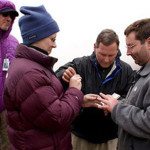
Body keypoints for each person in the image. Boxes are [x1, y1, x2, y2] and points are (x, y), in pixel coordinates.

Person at [3, 5, 84, 150]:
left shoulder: (32, 66)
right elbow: (56, 118)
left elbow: (46, 102)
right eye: (52, 39)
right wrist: (74, 92)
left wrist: (79, 99)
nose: (55, 44)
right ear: (37, 36)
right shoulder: (29, 74)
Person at [56, 29, 135, 150]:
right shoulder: (80, 64)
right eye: (102, 54)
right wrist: (64, 75)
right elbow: (57, 76)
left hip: (111, 138)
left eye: (111, 55)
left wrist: (115, 105)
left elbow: (130, 98)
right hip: (80, 135)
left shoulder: (127, 70)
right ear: (95, 47)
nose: (106, 59)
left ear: (117, 50)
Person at [98, 18, 150, 150]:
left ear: (149, 43)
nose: (127, 52)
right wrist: (115, 103)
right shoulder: (142, 72)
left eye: (131, 46)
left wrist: (116, 108)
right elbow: (136, 106)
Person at [0, 0, 19, 149]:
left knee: (9, 146)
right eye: (4, 14)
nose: (9, 18)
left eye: (12, 16)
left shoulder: (14, 43)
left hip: (6, 109)